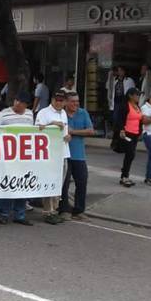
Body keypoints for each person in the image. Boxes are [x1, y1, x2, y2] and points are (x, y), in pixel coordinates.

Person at [0, 92, 35, 225]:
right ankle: (4, 213)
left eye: (22, 102)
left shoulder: (30, 114)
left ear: (26, 105)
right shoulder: (4, 114)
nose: (18, 104)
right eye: (17, 100)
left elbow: (34, 132)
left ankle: (20, 215)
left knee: (23, 184)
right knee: (9, 183)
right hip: (9, 155)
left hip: (25, 155)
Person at [35, 90, 71, 224]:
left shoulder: (64, 113)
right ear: (52, 100)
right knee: (49, 182)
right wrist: (52, 125)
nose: (59, 102)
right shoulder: (43, 113)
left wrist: (68, 136)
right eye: (57, 100)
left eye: (61, 100)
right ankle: (47, 211)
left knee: (58, 184)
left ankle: (54, 210)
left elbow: (65, 132)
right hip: (49, 154)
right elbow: (37, 130)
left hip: (63, 152)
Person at [60, 91, 94, 221]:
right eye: (73, 101)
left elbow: (90, 130)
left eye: (77, 101)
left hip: (79, 155)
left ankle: (79, 210)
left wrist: (73, 132)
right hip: (64, 154)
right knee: (64, 183)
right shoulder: (61, 114)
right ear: (66, 102)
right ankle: (64, 209)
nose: (76, 104)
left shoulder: (83, 113)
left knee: (82, 182)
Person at [115, 88, 142, 188]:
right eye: (137, 95)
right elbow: (119, 118)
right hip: (127, 133)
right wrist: (121, 130)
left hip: (135, 134)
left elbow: (140, 120)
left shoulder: (137, 106)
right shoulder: (125, 105)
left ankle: (125, 174)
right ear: (130, 95)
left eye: (139, 95)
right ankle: (124, 176)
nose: (138, 96)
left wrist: (140, 131)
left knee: (131, 155)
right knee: (130, 154)